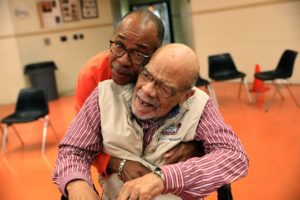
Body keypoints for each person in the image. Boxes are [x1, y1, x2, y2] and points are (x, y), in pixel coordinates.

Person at [53, 43, 249, 199]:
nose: (147, 90)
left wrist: (163, 179)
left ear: (186, 95)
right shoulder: (105, 94)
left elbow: (234, 156)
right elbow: (73, 150)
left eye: (165, 88)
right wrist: (76, 183)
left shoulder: (200, 105)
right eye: (147, 75)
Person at [72, 9, 204, 194]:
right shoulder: (93, 76)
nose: (124, 60)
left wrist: (198, 145)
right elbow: (82, 142)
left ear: (155, 55)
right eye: (118, 44)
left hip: (168, 174)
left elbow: (208, 126)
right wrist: (117, 163)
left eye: (138, 53)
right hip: (118, 173)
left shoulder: (171, 73)